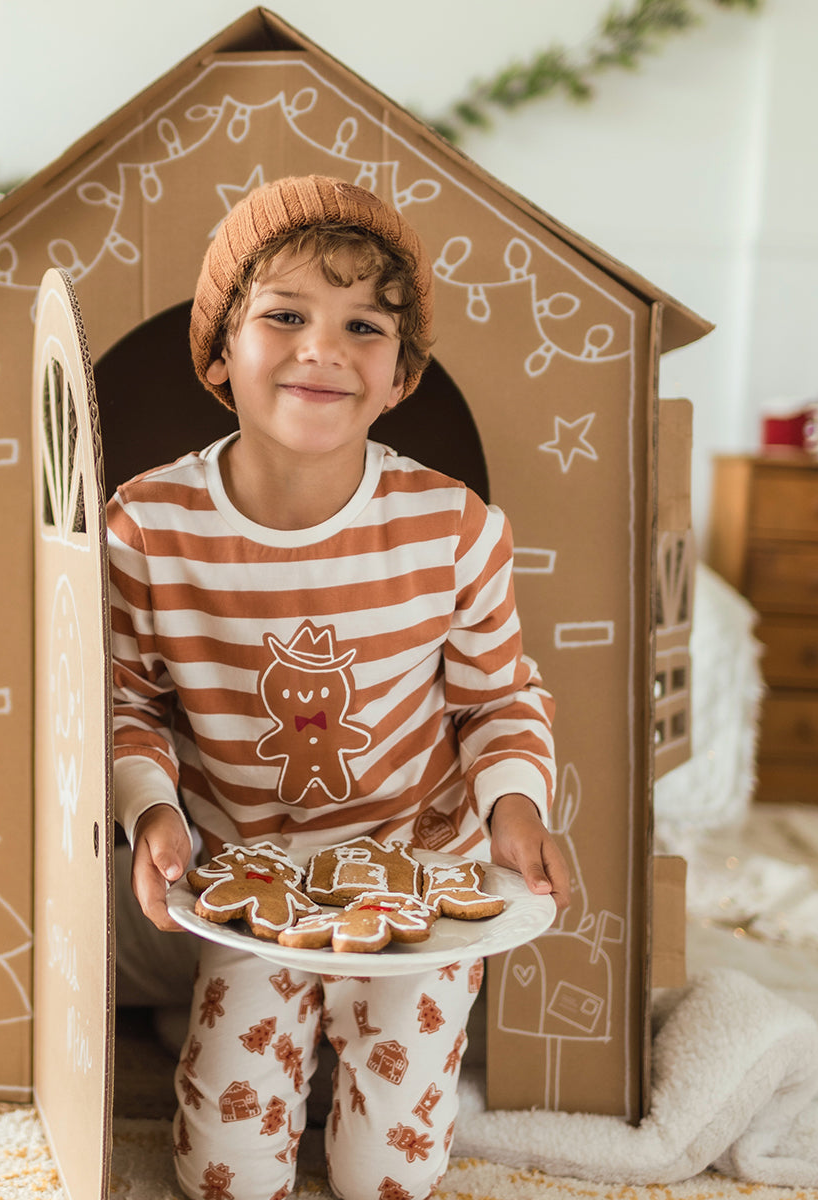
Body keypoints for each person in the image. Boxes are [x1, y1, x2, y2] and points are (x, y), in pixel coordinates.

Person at [108, 174, 570, 1200]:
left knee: (384, 1181)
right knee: (225, 1176)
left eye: (364, 326)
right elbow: (128, 700)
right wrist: (153, 814)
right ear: (222, 354)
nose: (322, 348)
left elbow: (499, 698)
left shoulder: (453, 527)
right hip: (250, 888)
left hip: (419, 876)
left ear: (401, 376)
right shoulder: (147, 527)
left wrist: (516, 806)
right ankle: (258, 1036)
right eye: (283, 316)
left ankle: (368, 1055)